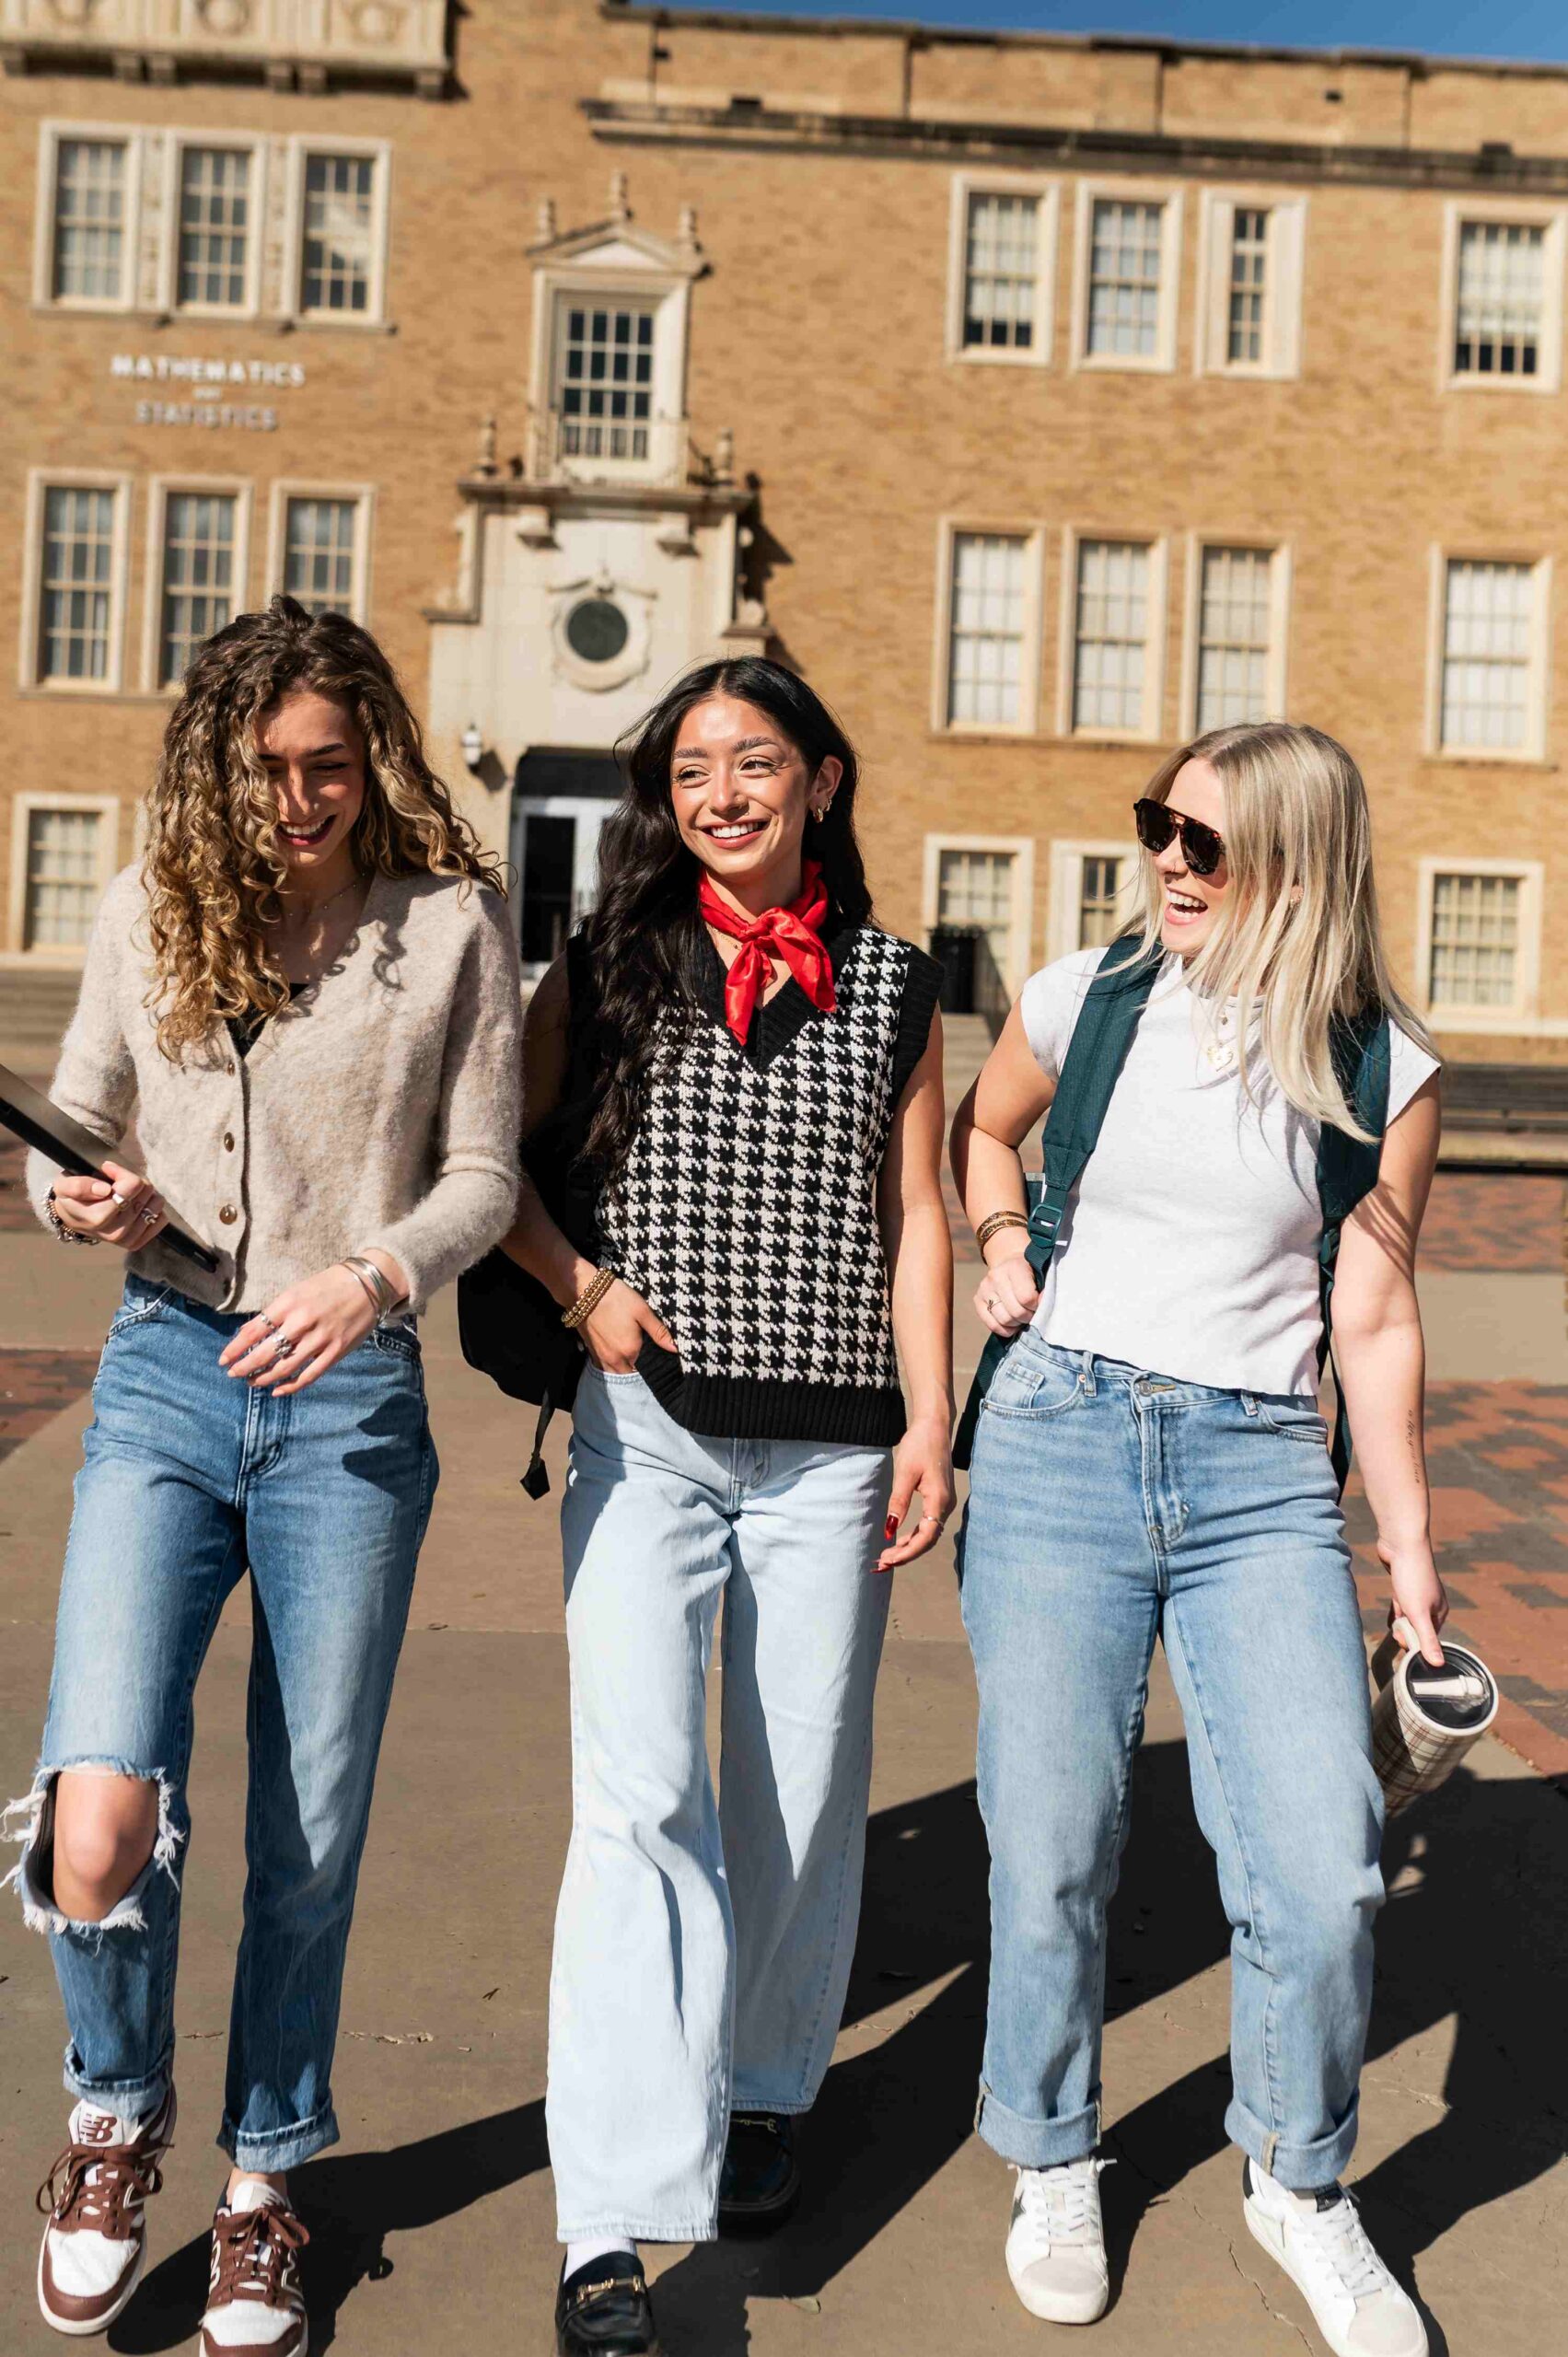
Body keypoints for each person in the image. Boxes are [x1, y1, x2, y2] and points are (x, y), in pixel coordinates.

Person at [4, 597, 522, 2353]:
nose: (300, 801)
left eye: (330, 764)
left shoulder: (449, 924)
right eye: (268, 770)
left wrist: (370, 1277)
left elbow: (478, 1177)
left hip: (352, 1405)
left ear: (372, 754)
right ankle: (113, 2115)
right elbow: (79, 1133)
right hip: (162, 1375)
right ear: (218, 769)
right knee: (97, 1820)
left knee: (307, 1829)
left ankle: (264, 2182)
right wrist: (84, 1197)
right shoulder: (154, 904)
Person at [952, 723, 1444, 2357]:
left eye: (1207, 843)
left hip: (1256, 1480)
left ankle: (1300, 2184)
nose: (1167, 857)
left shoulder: (1385, 1072)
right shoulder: (1080, 1001)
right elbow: (981, 1131)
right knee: (1056, 1847)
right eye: (1159, 825)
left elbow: (1371, 1319)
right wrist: (1003, 1240)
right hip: (1058, 1447)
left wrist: (1415, 1555)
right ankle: (1049, 2149)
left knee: (1323, 1871)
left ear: (1297, 867)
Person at [500, 656, 954, 2357]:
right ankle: (606, 2219)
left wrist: (932, 1424)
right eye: (690, 770)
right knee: (639, 1804)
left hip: (837, 1448)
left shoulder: (901, 980)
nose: (722, 792)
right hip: (650, 1433)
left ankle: (766, 2085)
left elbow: (916, 1211)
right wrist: (584, 1294)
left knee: (802, 1786)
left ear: (823, 781)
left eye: (754, 761)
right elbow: (500, 1163)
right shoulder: (606, 960)